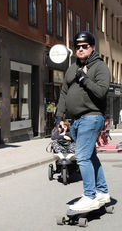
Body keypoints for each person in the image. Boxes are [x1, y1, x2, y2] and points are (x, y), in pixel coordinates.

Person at [55, 31, 111, 211]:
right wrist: (59, 116)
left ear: (92, 47)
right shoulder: (71, 68)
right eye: (77, 46)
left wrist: (84, 78)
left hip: (92, 117)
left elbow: (102, 91)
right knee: (90, 156)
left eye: (84, 46)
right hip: (76, 120)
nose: (80, 49)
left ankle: (90, 196)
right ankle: (102, 192)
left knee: (81, 156)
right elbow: (64, 93)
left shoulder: (99, 66)